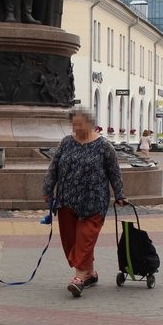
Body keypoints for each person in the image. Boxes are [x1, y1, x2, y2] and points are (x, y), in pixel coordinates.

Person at [42, 109, 126, 298]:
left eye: (81, 124)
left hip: (94, 200)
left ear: (91, 123)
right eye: (74, 124)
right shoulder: (66, 142)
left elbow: (114, 172)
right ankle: (90, 273)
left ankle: (79, 278)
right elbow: (54, 167)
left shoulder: (104, 146)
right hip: (66, 199)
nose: (77, 127)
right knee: (71, 240)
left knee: (85, 238)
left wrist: (119, 194)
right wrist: (48, 190)